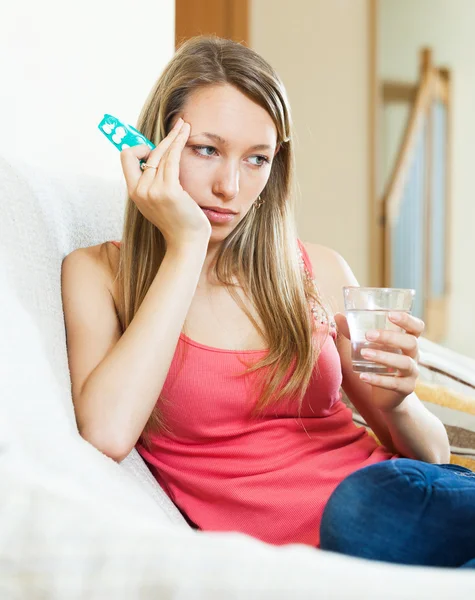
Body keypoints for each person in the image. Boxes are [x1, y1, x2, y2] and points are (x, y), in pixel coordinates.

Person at [61, 35, 475, 568]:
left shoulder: (316, 270)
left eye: (257, 159)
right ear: (153, 146)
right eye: (205, 149)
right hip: (353, 536)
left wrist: (397, 404)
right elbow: (107, 434)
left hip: (405, 502)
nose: (230, 186)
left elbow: (432, 457)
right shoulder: (99, 275)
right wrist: (185, 247)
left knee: (372, 503)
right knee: (360, 514)